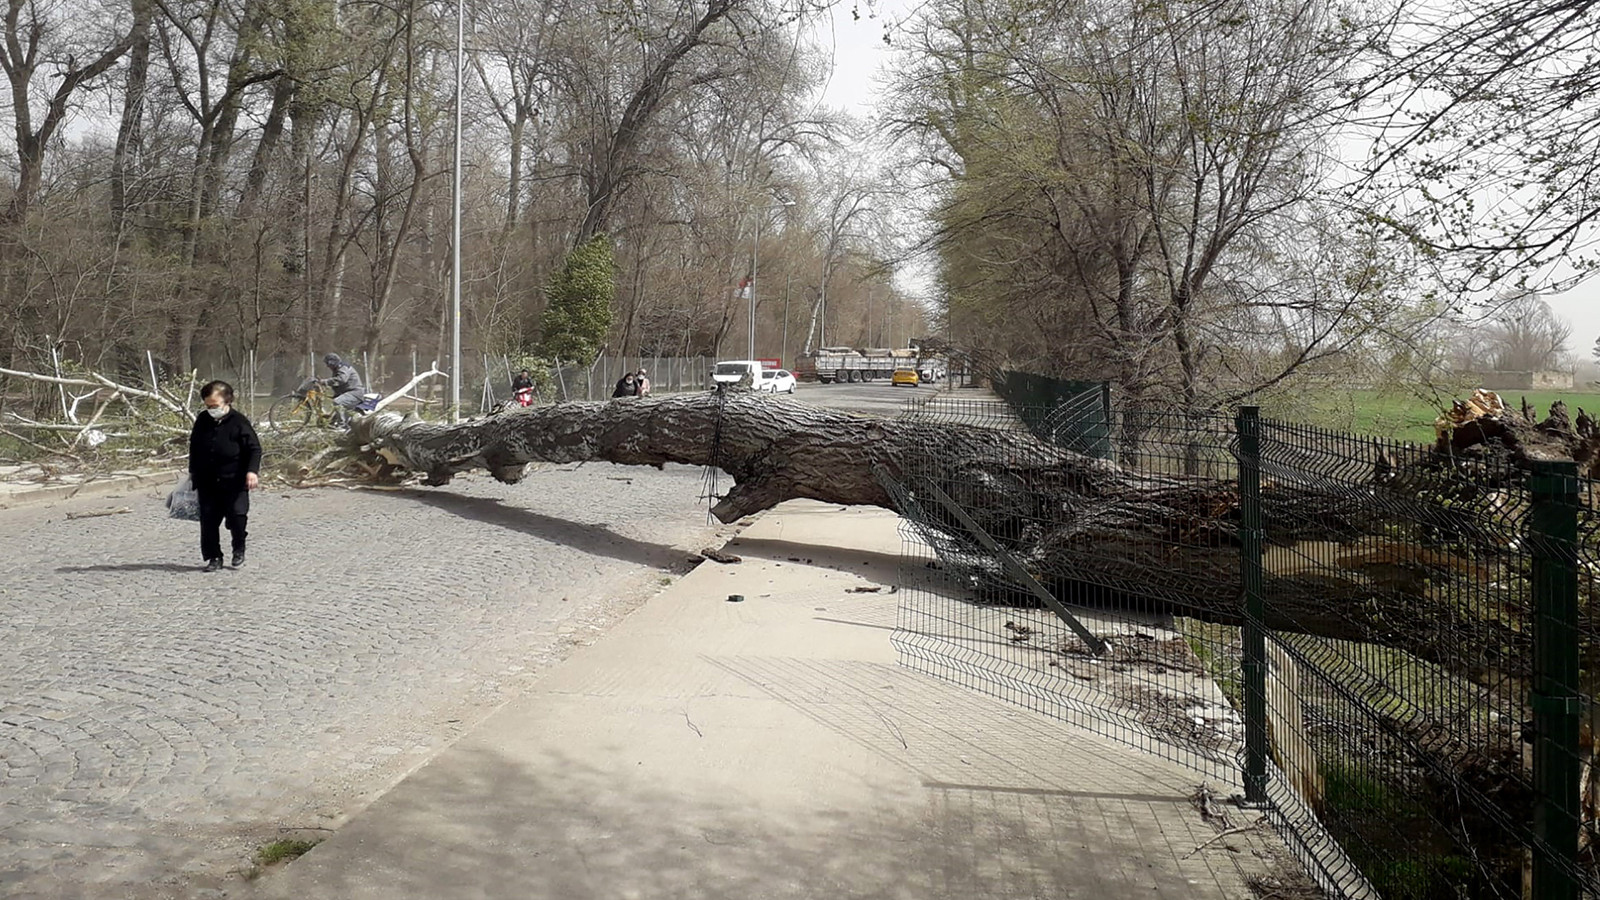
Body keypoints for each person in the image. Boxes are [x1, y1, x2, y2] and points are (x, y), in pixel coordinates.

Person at [188, 380, 261, 572]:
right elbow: (194, 447)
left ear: (227, 401)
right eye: (208, 405)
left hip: (235, 480)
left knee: (237, 517)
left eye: (215, 405)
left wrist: (252, 471)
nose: (211, 409)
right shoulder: (203, 420)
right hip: (208, 480)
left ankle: (239, 547)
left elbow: (254, 448)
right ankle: (214, 557)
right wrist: (193, 474)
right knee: (209, 520)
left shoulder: (239, 422)